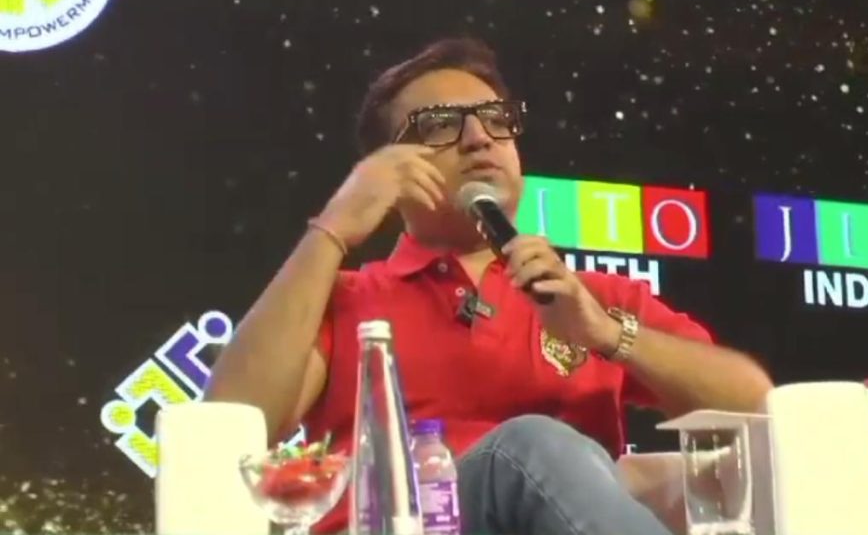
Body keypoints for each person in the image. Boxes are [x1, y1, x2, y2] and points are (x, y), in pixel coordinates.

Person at [205, 37, 774, 535]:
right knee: (529, 448)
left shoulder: (588, 296)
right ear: (389, 168)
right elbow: (227, 424)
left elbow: (754, 404)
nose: (479, 138)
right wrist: (334, 226)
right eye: (440, 125)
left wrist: (605, 333)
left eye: (496, 119)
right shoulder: (347, 299)